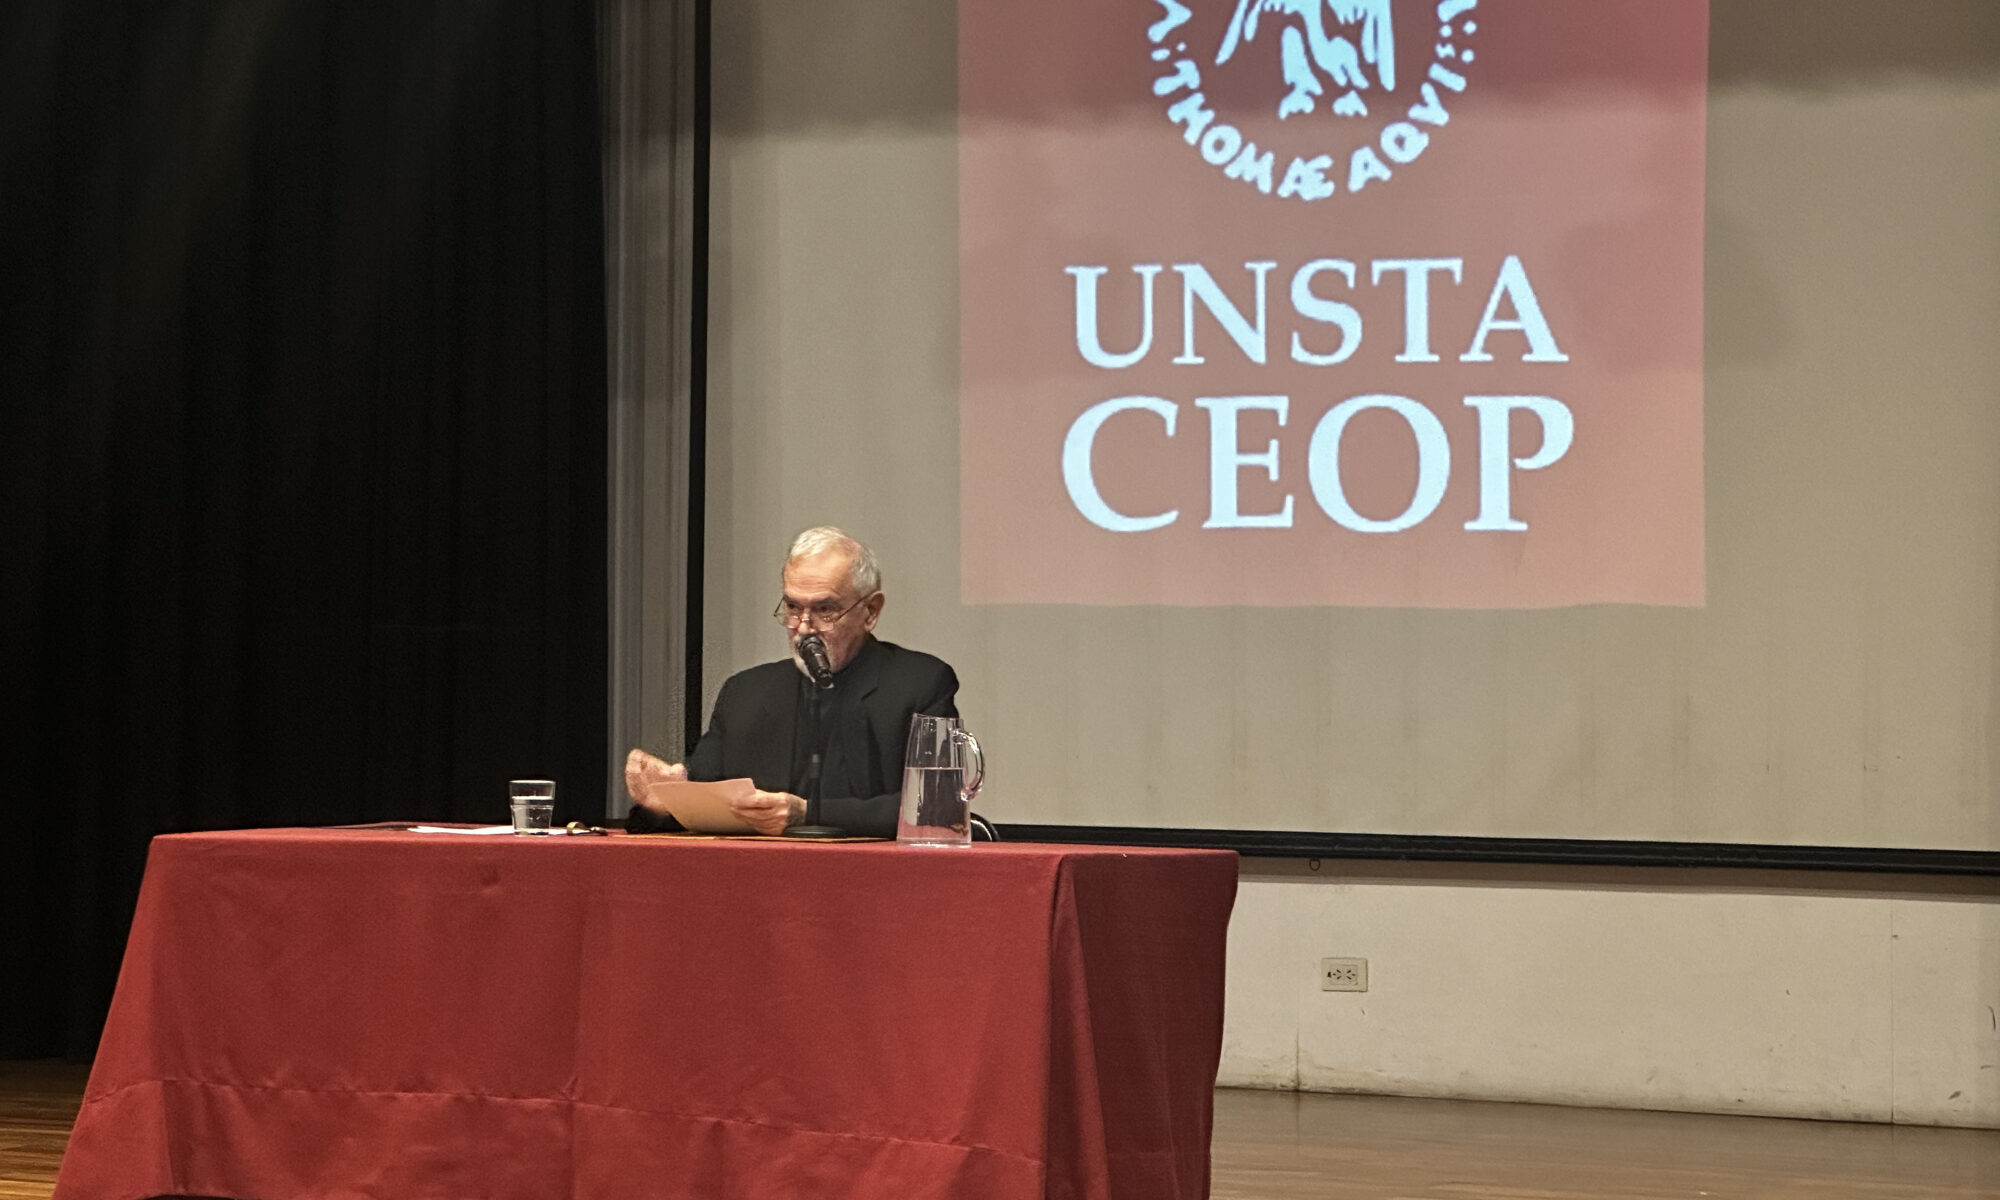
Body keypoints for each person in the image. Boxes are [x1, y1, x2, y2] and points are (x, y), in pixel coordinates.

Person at [624, 526, 960, 838]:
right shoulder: (745, 693)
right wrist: (667, 800)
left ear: (870, 611)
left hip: (877, 876)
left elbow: (936, 805)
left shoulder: (920, 684)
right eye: (793, 607)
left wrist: (807, 814)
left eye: (825, 609)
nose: (803, 627)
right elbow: (704, 803)